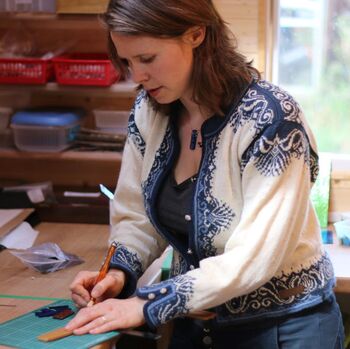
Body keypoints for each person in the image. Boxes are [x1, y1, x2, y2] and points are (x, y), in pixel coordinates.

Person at [66, 0, 345, 348]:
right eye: (127, 62)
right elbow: (136, 216)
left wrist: (149, 303)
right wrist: (119, 272)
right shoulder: (149, 111)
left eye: (147, 59)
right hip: (198, 325)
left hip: (285, 329)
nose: (136, 76)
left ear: (196, 34)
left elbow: (253, 258)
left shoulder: (272, 120)